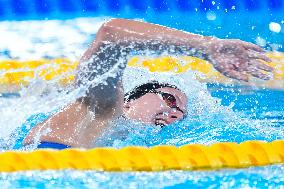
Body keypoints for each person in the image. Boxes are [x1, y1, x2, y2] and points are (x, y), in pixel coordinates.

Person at [23, 18, 273, 149]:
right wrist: (206, 46)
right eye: (170, 99)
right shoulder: (102, 107)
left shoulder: (116, 140)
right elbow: (111, 34)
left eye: (180, 113)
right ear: (131, 100)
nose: (174, 113)